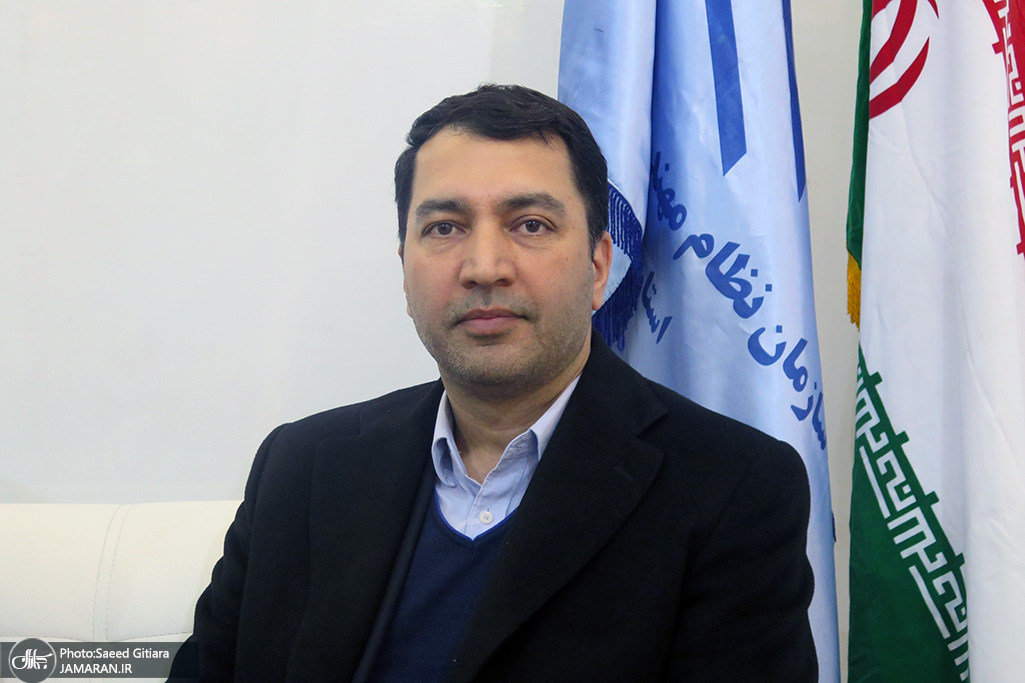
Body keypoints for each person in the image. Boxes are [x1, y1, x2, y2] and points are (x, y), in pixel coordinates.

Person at [174, 84, 817, 682]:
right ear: (405, 271)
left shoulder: (732, 488)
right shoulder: (301, 466)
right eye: (444, 228)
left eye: (530, 224)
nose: (484, 267)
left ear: (598, 267)